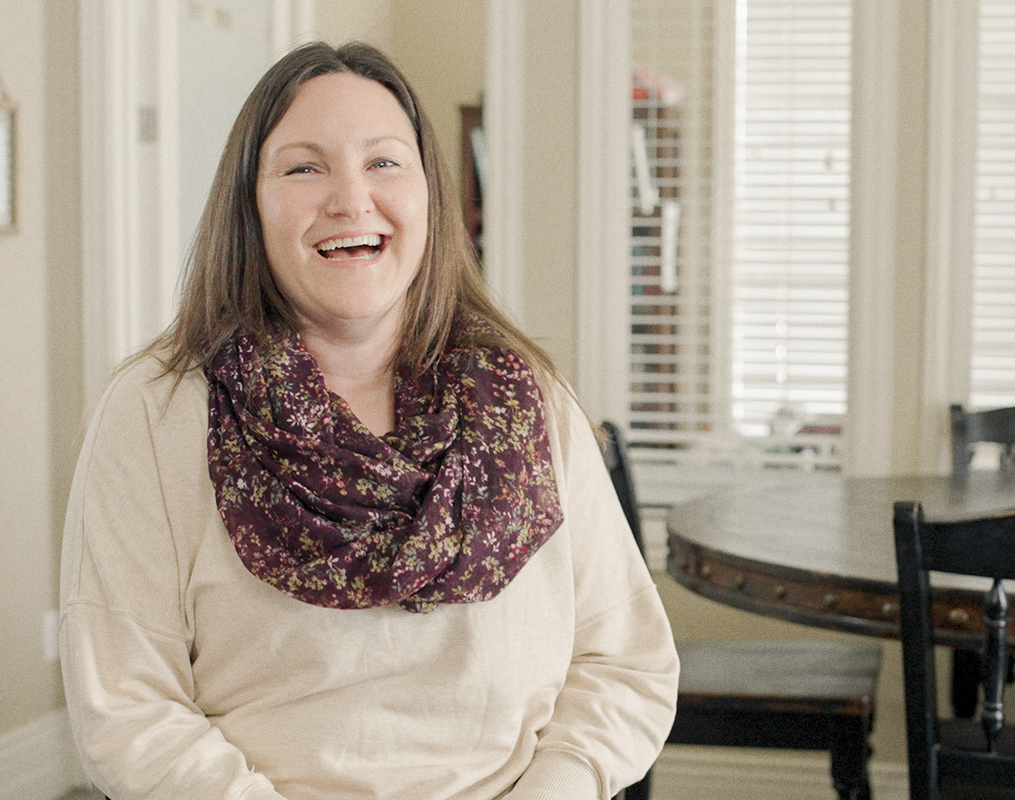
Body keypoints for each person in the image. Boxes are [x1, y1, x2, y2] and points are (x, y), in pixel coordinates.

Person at [59, 41, 678, 800]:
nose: (351, 200)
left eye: (384, 162)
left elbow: (626, 662)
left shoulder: (531, 402)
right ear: (248, 204)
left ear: (428, 194)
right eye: (303, 167)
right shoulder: (156, 416)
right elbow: (127, 706)